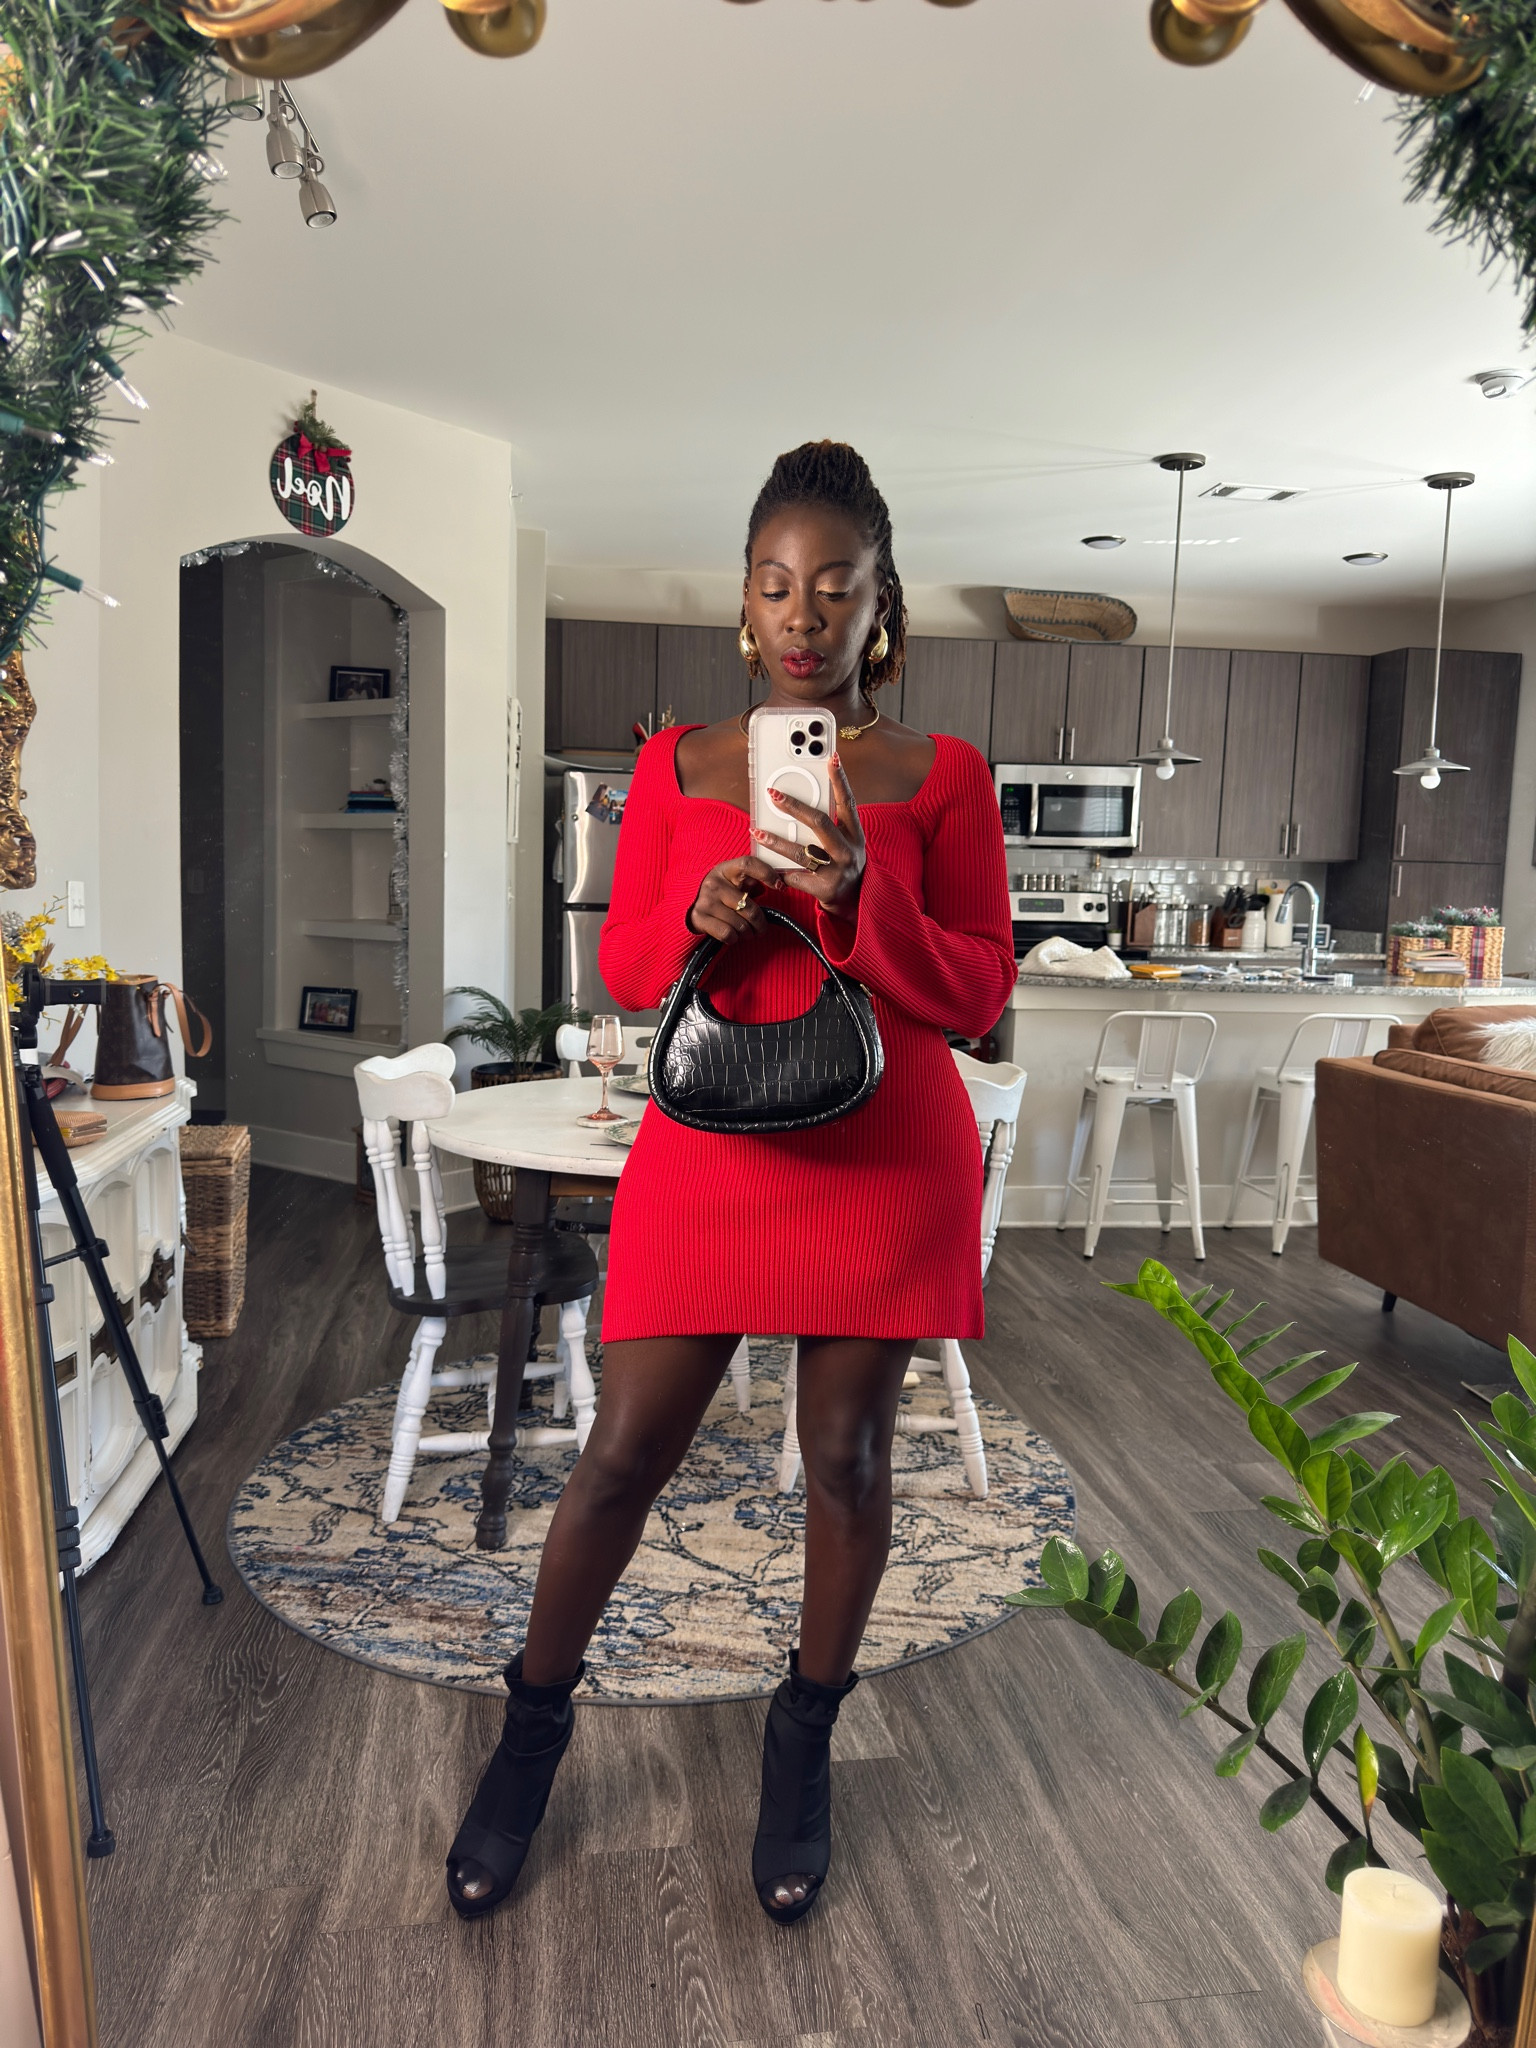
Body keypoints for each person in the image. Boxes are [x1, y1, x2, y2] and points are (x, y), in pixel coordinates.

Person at [447, 440, 1016, 1926]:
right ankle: (529, 1738)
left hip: (883, 1152)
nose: (803, 614)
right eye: (776, 585)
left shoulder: (943, 779)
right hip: (709, 1153)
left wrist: (859, 898)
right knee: (621, 1456)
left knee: (846, 1460)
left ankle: (804, 1740)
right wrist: (704, 909)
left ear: (880, 605)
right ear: (744, 605)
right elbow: (630, 969)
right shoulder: (677, 763)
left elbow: (978, 994)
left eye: (836, 587)